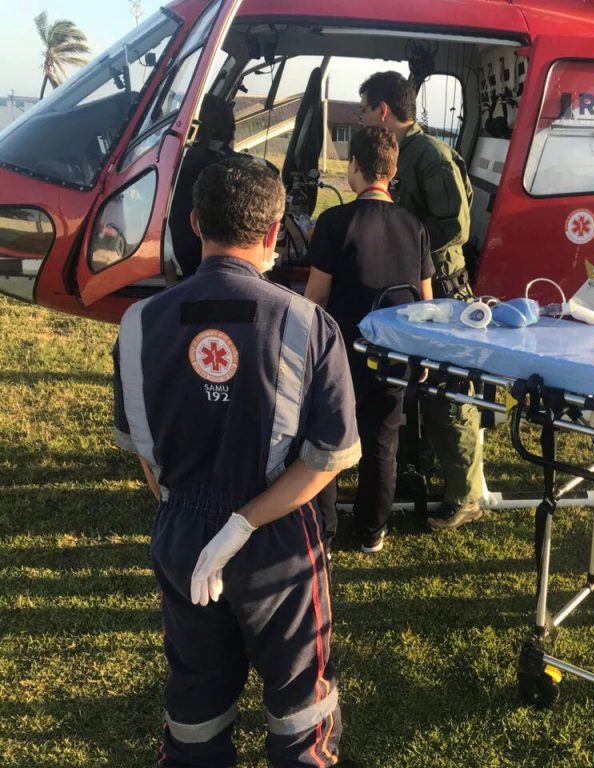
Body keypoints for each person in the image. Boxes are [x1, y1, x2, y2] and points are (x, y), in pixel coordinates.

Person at [112, 157, 362, 767]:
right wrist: (243, 522)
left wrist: (192, 517)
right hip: (277, 538)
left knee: (196, 695)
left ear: (196, 224)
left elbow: (146, 453)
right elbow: (327, 459)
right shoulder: (308, 323)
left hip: (181, 534)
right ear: (274, 231)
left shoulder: (138, 325)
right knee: (300, 705)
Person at [358, 71, 484, 532]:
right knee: (421, 390)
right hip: (417, 285)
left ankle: (466, 496)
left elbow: (455, 227)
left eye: (364, 110)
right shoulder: (404, 154)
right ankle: (426, 468)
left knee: (449, 396)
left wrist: (403, 241)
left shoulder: (430, 156)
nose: (361, 119)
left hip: (442, 288)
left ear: (383, 111)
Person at [305, 125, 435, 553]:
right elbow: (427, 303)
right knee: (383, 444)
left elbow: (316, 297)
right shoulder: (414, 225)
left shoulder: (334, 222)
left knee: (329, 439)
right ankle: (372, 531)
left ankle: (323, 530)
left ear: (354, 166)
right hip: (394, 357)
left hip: (341, 354)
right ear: (393, 171)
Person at [167, 95, 243, 279]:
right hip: (232, 270)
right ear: (230, 129)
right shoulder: (244, 168)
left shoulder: (177, 167)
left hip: (185, 265)